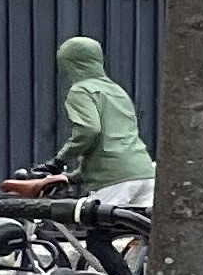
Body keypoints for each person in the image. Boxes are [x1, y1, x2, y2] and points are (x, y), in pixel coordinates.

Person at [51, 34, 151, 188]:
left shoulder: (81, 90)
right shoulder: (117, 91)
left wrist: (59, 160)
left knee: (88, 213)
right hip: (145, 175)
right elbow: (116, 141)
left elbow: (89, 130)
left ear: (71, 64)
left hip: (114, 182)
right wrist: (72, 177)